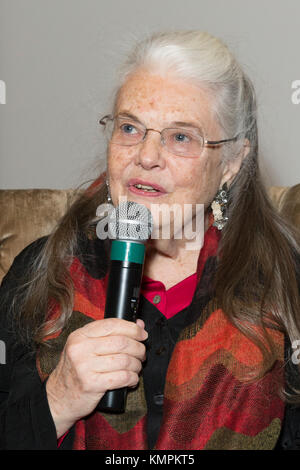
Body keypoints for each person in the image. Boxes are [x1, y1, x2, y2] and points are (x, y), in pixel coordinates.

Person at [0, 30, 300, 450]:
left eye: (180, 137)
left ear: (231, 163)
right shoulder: (40, 271)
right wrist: (58, 399)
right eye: (130, 128)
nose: (146, 155)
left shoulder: (287, 282)